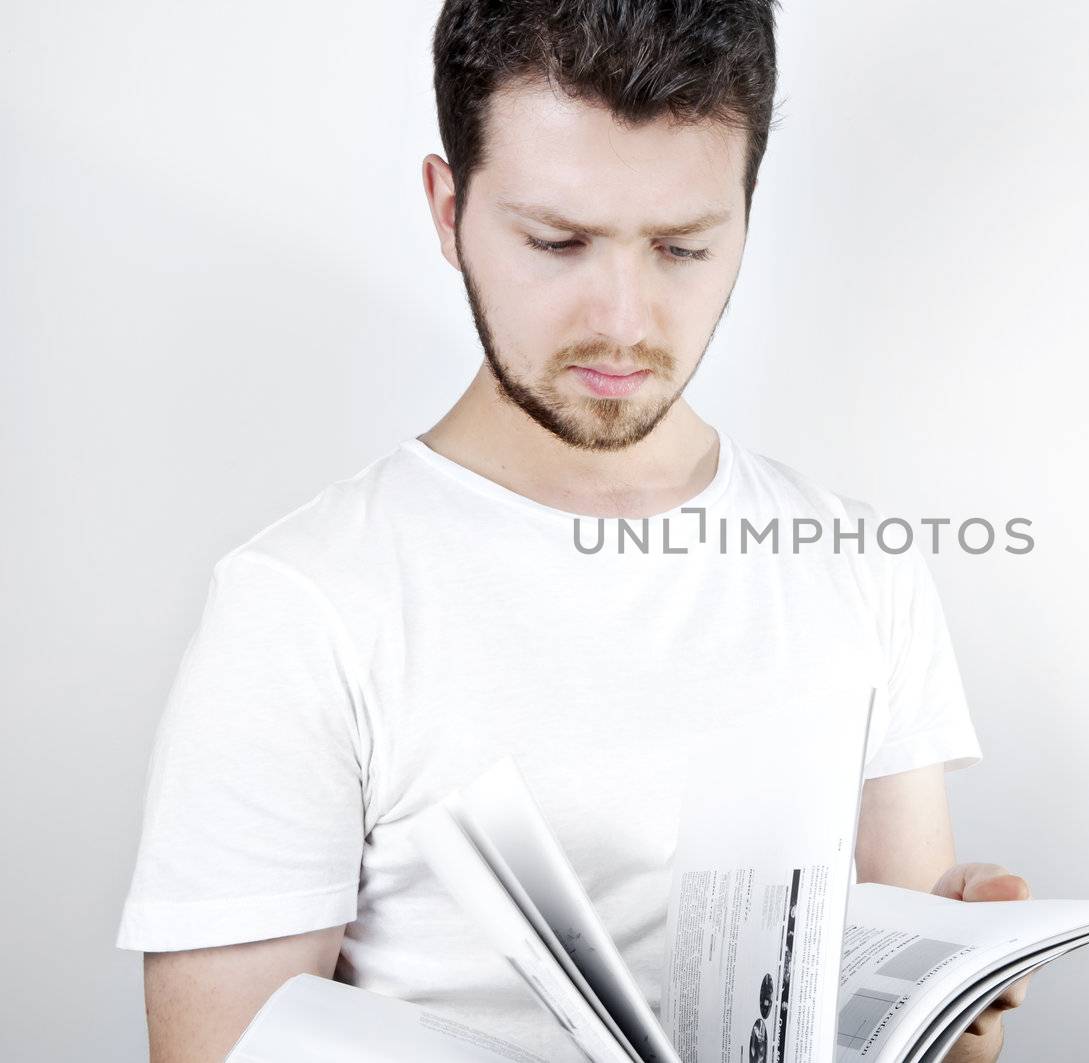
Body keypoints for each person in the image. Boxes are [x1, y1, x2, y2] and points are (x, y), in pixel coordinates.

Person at [116, 2, 1032, 1061]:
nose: (624, 321)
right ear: (446, 209)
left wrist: (959, 999)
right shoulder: (303, 603)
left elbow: (928, 1039)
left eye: (682, 247)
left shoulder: (862, 567)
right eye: (556, 242)